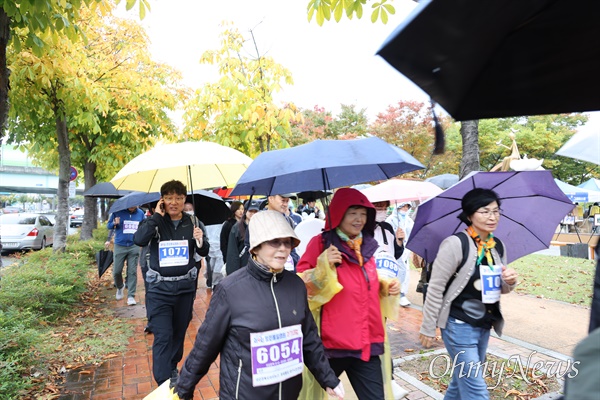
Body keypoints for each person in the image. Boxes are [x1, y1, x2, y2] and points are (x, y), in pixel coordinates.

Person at [175, 211, 345, 400]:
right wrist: (184, 388)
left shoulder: (296, 285)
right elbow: (205, 346)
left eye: (287, 242)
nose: (283, 249)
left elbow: (309, 339)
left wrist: (328, 378)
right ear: (255, 247)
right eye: (274, 242)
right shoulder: (230, 290)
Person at [297, 188, 400, 399]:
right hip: (331, 344)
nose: (359, 219)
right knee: (310, 396)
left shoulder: (368, 245)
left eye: (363, 213)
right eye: (352, 212)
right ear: (339, 213)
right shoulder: (321, 244)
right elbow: (300, 286)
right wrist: (323, 265)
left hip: (366, 341)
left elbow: (365, 280)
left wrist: (384, 285)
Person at [419, 188, 518, 400]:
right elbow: (436, 288)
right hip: (459, 326)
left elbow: (500, 287)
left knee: (459, 383)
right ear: (470, 214)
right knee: (476, 390)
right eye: (485, 211)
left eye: (496, 211)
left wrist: (510, 280)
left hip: (484, 323)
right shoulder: (455, 244)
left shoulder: (497, 245)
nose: (492, 217)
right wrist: (428, 327)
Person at [133, 180, 209, 386]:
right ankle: (163, 382)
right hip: (159, 291)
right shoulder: (154, 222)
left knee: (178, 333)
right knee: (163, 336)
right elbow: (139, 240)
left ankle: (172, 367)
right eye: (169, 198)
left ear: (184, 199)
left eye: (178, 198)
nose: (173, 202)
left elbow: (203, 251)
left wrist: (200, 240)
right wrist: (156, 216)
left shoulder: (193, 222)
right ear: (162, 200)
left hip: (185, 290)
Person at [372, 200, 409, 399]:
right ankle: (386, 378)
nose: (383, 210)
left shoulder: (387, 227)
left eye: (385, 206)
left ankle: (389, 379)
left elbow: (395, 254)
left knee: (381, 333)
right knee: (375, 334)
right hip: (368, 289)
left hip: (386, 289)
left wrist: (399, 242)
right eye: (378, 206)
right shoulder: (362, 228)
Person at [106, 205, 145, 305]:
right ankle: (120, 286)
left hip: (134, 245)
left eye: (135, 205)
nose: (132, 206)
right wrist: (114, 223)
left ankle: (131, 296)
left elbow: (144, 226)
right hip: (120, 245)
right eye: (130, 205)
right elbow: (108, 225)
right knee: (116, 271)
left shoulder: (140, 213)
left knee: (132, 271)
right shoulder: (118, 212)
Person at [387, 202, 414, 307]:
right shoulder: (390, 220)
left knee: (405, 272)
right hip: (394, 250)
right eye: (403, 206)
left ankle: (402, 293)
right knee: (395, 271)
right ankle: (395, 293)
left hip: (405, 250)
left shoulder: (409, 221)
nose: (405, 208)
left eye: (407, 206)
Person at [225, 199, 260, 275]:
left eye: (255, 211)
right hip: (242, 268)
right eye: (251, 211)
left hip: (258, 268)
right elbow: (232, 253)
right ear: (245, 211)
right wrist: (234, 274)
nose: (253, 214)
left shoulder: (262, 227)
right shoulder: (236, 228)